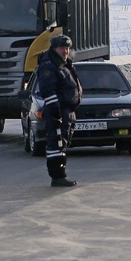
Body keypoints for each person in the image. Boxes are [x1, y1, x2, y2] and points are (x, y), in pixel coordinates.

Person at [36, 34, 83, 187]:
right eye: (63, 48)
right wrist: (55, 112)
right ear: (54, 48)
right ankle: (57, 176)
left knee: (62, 143)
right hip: (58, 112)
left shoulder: (63, 64)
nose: (66, 51)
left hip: (66, 112)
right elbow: (48, 90)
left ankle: (61, 173)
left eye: (68, 48)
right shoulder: (49, 65)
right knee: (56, 144)